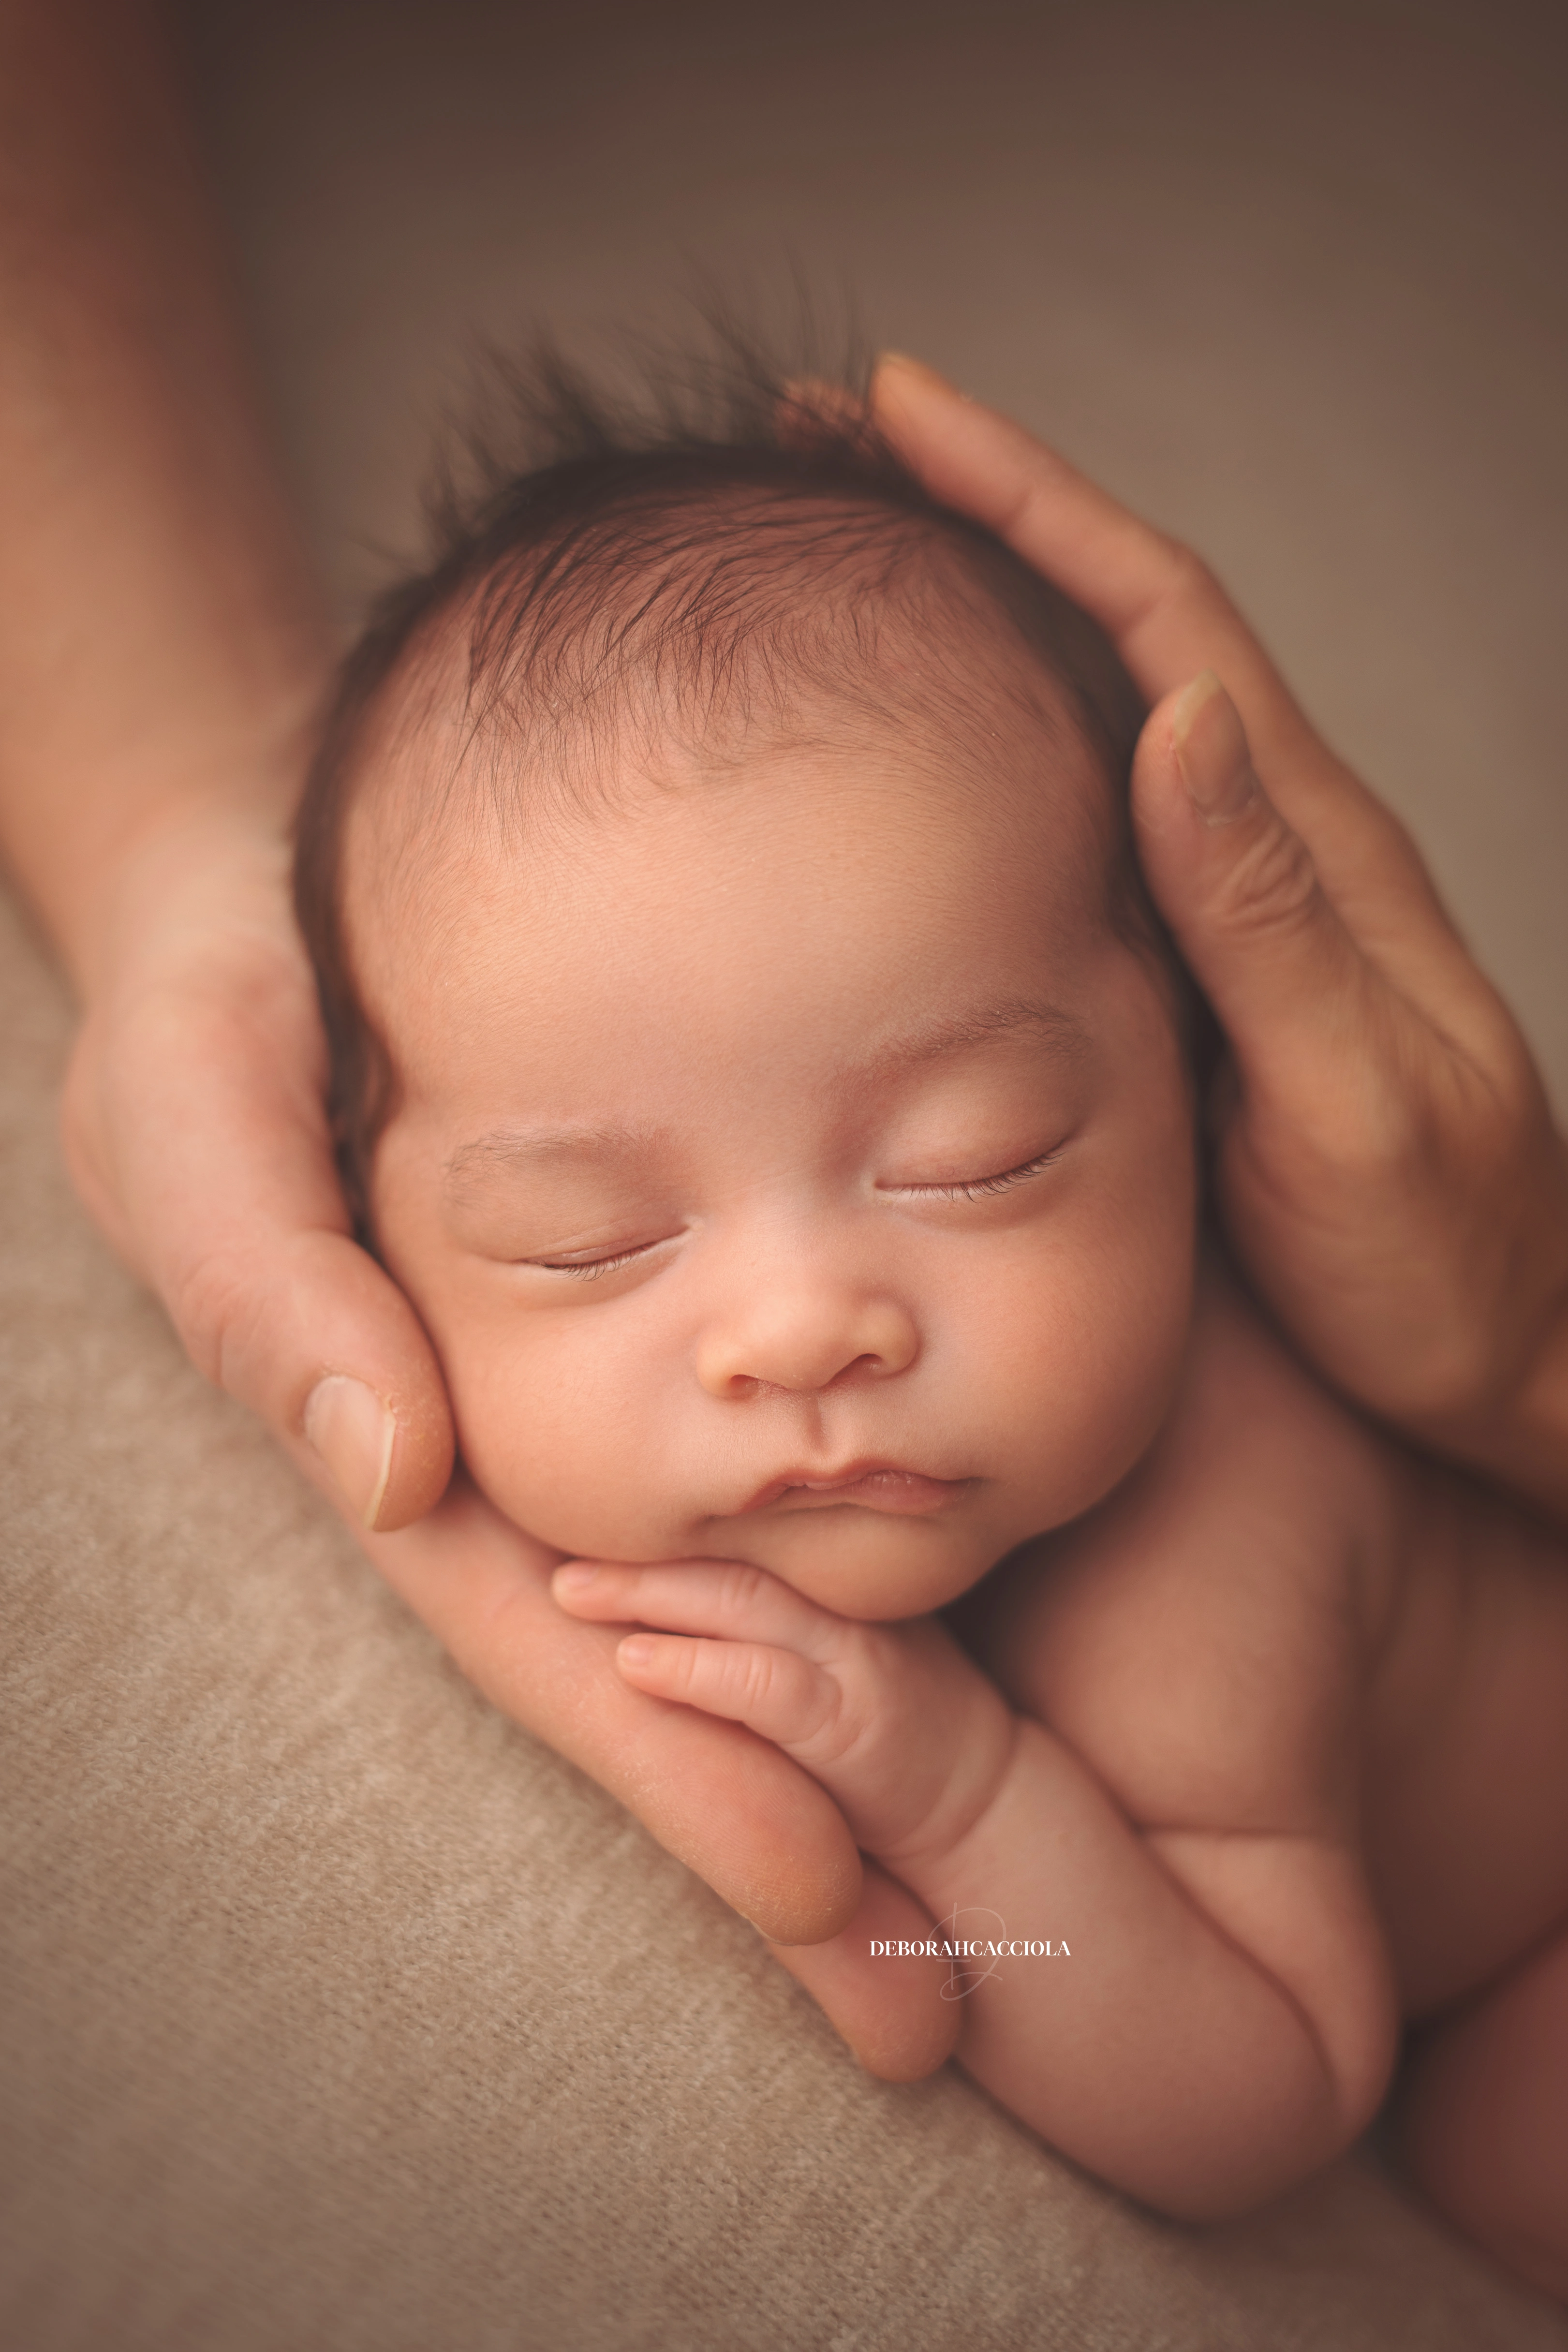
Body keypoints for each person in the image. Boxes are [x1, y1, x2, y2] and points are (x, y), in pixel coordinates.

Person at [2, 0, 1566, 2287]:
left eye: (973, 1157)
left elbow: (1260, 2090)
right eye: (586, 1237)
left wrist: (970, 1808)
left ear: (1209, 1093)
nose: (800, 1322)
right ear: (365, 1226)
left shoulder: (1197, 1571)